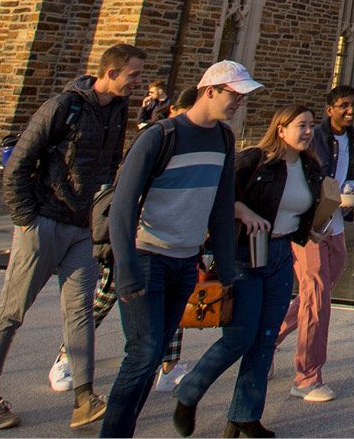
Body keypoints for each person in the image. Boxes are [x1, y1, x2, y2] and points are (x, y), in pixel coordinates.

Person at [0, 45, 145, 431]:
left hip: (81, 227)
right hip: (45, 221)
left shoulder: (117, 110)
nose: (139, 82)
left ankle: (84, 397)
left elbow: (110, 166)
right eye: (133, 75)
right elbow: (17, 165)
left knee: (79, 312)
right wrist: (27, 219)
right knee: (12, 312)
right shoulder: (65, 106)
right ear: (111, 73)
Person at [100, 61, 254, 438]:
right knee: (143, 354)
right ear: (211, 91)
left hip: (185, 262)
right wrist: (127, 269)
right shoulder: (159, 135)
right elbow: (122, 205)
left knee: (153, 357)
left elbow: (221, 205)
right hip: (147, 257)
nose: (238, 103)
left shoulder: (223, 138)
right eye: (234, 95)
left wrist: (225, 265)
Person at [173, 104, 325, 438]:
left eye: (311, 126)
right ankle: (188, 392)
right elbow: (216, 195)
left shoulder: (311, 167)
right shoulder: (253, 160)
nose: (308, 131)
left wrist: (313, 230)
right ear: (280, 129)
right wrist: (243, 212)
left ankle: (245, 415)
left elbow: (305, 209)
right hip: (245, 255)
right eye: (301, 125)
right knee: (239, 338)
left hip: (282, 254)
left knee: (265, 339)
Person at [48, 87, 201, 397]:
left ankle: (169, 369)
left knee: (172, 308)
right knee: (103, 300)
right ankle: (67, 358)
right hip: (135, 239)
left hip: (173, 240)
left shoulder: (195, 144)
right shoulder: (157, 139)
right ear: (176, 112)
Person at [277, 85, 354, 402]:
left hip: (337, 224)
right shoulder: (311, 137)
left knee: (314, 294)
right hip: (310, 225)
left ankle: (269, 338)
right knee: (316, 300)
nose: (350, 111)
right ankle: (307, 377)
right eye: (343, 105)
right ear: (329, 109)